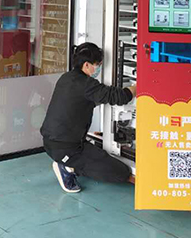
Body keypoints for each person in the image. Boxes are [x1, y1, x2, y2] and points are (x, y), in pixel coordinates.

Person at [41, 43, 136, 193]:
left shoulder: (67, 78)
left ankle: (71, 162)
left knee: (98, 157)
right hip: (66, 148)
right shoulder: (85, 84)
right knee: (119, 171)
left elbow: (82, 102)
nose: (98, 69)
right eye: (97, 65)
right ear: (86, 65)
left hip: (53, 141)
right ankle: (66, 166)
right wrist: (140, 85)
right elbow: (119, 96)